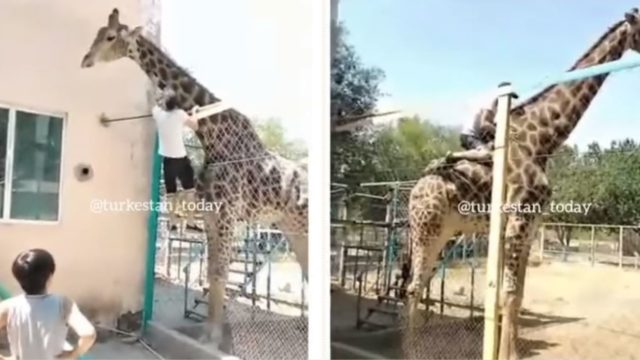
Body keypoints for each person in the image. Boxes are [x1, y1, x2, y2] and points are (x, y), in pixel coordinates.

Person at [0, 249, 96, 360]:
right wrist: (73, 355)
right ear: (49, 277)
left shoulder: (8, 307)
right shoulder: (63, 303)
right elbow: (89, 334)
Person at [152, 89, 201, 231]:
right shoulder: (179, 114)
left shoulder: (158, 114)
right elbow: (195, 126)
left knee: (171, 192)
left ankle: (172, 222)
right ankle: (190, 223)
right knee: (189, 191)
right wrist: (194, 113)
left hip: (167, 160)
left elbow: (155, 104)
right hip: (181, 158)